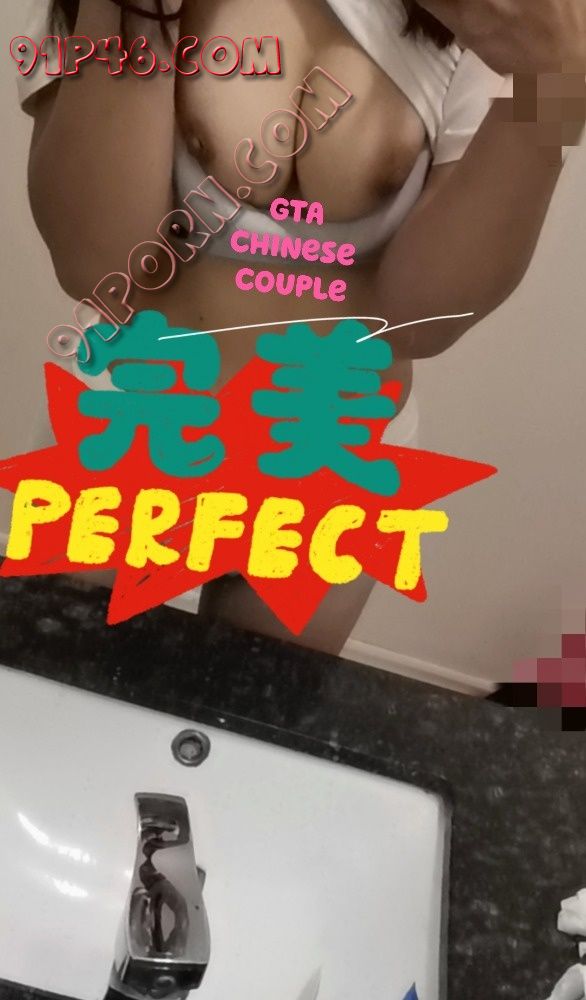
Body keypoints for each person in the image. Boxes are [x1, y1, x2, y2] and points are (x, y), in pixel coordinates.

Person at [17, 0, 586, 653]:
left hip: (331, 453)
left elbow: (418, 323)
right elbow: (101, 267)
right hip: (133, 421)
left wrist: (556, 85)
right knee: (48, 693)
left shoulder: (502, 15)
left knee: (257, 712)